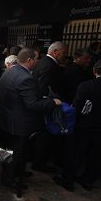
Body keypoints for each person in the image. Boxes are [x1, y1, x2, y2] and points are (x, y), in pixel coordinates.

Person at [0, 48, 60, 192]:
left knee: (10, 151)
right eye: (37, 59)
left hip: (7, 119)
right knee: (16, 152)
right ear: (29, 60)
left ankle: (14, 173)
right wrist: (53, 102)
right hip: (19, 123)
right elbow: (32, 104)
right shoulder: (26, 78)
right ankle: (9, 179)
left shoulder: (8, 72)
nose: (38, 62)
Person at [54, 58, 101, 191]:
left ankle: (68, 180)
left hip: (85, 126)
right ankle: (88, 180)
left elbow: (77, 107)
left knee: (76, 154)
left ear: (95, 71)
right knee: (96, 155)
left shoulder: (86, 86)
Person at [32, 41, 67, 172]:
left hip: (45, 104)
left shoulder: (45, 62)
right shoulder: (49, 65)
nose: (65, 55)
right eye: (63, 52)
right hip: (47, 105)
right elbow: (43, 88)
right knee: (44, 136)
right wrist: (51, 101)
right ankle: (39, 163)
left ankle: (38, 160)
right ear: (55, 52)